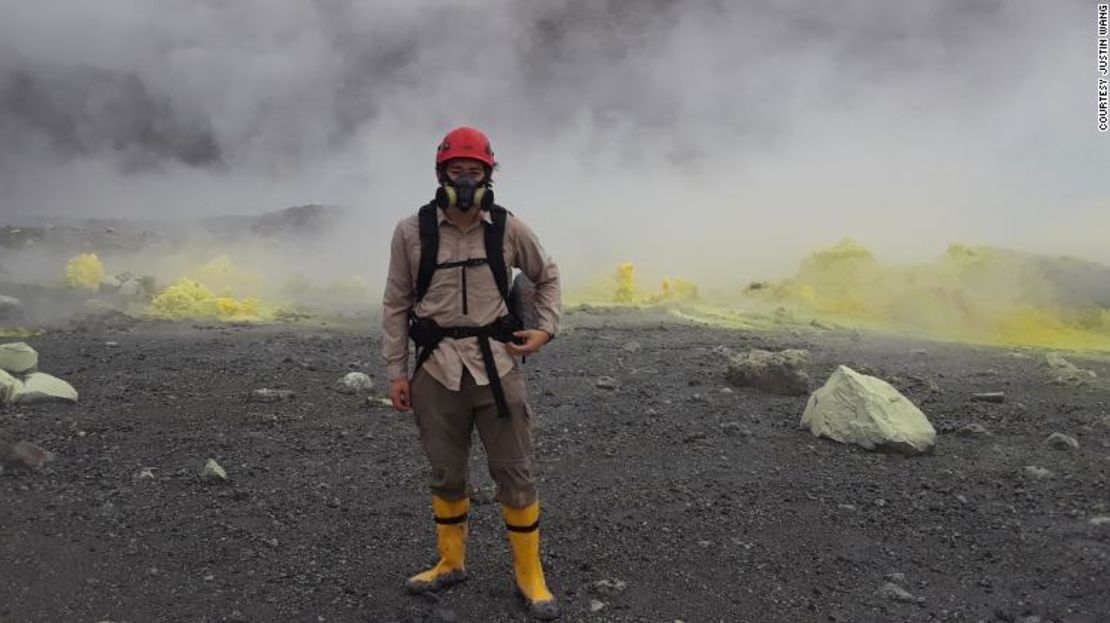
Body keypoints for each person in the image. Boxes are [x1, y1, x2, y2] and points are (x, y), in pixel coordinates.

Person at [380, 126, 562, 620]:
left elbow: (547, 276)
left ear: (488, 175)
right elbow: (396, 303)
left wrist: (545, 330)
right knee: (445, 470)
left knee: (515, 470)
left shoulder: (508, 227)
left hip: (497, 368)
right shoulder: (410, 231)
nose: (465, 180)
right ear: (441, 174)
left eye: (475, 171)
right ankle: (450, 560)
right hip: (435, 372)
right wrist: (397, 371)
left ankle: (530, 575)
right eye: (457, 171)